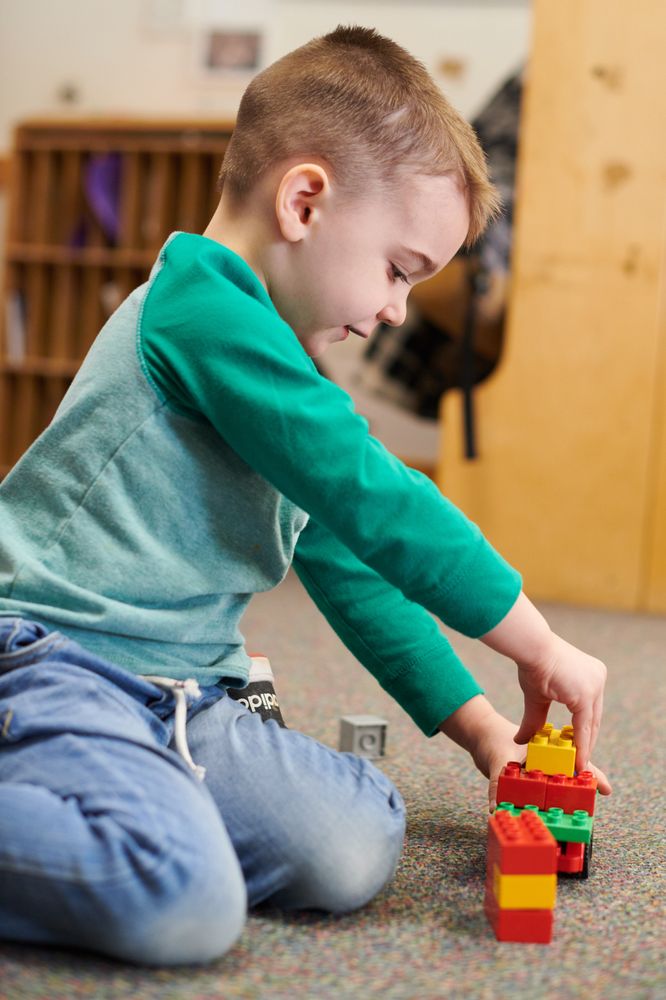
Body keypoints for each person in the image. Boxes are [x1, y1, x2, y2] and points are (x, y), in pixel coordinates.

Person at [0, 26, 610, 966]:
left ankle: (127, 788)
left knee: (353, 844)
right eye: (400, 268)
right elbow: (375, 497)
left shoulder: (283, 379)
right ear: (304, 201)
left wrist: (488, 732)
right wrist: (535, 637)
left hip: (188, 692)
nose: (399, 309)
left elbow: (358, 569)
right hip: (59, 662)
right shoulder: (201, 310)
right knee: (182, 901)